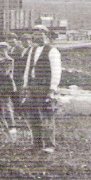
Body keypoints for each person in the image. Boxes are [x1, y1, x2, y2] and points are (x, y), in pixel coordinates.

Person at [20, 25, 62, 153]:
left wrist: (52, 89)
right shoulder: (32, 50)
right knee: (33, 116)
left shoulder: (52, 50)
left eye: (41, 34)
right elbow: (28, 68)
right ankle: (37, 144)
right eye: (36, 35)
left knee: (47, 116)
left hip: (45, 88)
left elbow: (56, 71)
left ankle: (49, 145)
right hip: (33, 87)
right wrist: (25, 85)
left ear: (46, 36)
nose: (38, 37)